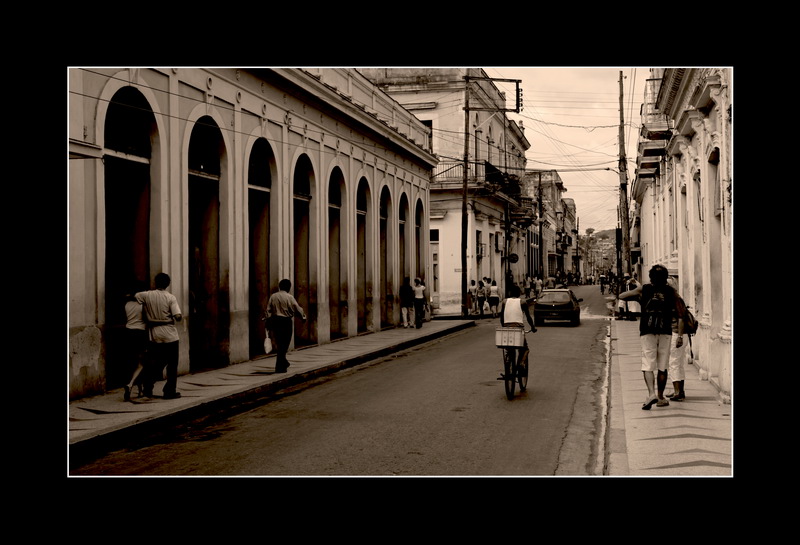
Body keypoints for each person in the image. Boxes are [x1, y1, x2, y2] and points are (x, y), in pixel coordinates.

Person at [618, 264, 683, 410]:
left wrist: (637, 294)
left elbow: (622, 296)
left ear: (651, 277)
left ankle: (651, 394)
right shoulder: (671, 291)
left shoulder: (644, 289)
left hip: (647, 331)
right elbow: (680, 313)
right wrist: (679, 335)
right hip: (665, 331)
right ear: (666, 277)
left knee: (648, 364)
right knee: (662, 367)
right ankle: (660, 397)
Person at [136, 273, 182, 399]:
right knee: (172, 364)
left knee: (155, 363)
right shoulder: (171, 297)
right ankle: (169, 391)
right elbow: (177, 317)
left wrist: (146, 312)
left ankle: (148, 387)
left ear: (155, 282)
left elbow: (134, 297)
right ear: (168, 284)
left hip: (155, 336)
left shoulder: (146, 295)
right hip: (170, 335)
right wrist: (171, 318)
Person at [265, 279, 307, 373]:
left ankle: (282, 365)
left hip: (276, 321)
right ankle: (281, 364)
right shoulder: (289, 297)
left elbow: (268, 310)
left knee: (280, 343)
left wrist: (268, 321)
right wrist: (303, 317)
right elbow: (297, 308)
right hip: (286, 322)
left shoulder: (273, 296)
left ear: (280, 286)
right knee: (285, 344)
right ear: (289, 287)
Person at [499, 284, 537, 368]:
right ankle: (522, 362)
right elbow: (528, 317)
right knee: (525, 349)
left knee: (508, 347)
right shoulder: (522, 302)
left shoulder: (504, 302)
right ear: (519, 293)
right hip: (518, 328)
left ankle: (508, 359)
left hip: (507, 327)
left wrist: (504, 327)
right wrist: (533, 327)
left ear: (509, 293)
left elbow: (502, 317)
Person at [122, 284, 148, 401]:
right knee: (142, 363)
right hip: (140, 333)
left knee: (132, 361)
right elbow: (147, 319)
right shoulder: (142, 305)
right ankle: (130, 384)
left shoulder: (127, 304)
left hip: (128, 333)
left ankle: (140, 390)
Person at [666, 277, 689, 401]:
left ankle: (677, 392)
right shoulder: (674, 298)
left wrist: (679, 336)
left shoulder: (675, 299)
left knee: (673, 363)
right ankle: (680, 391)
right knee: (678, 363)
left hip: (677, 334)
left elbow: (681, 318)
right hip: (678, 334)